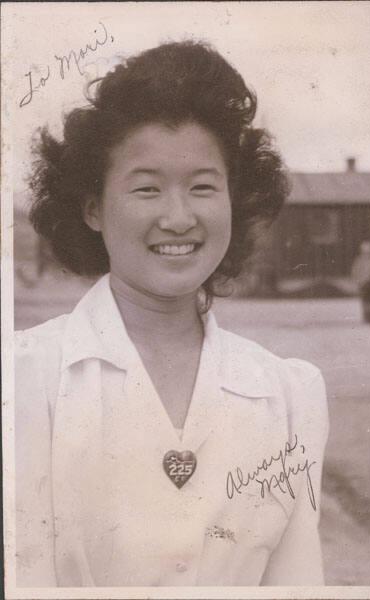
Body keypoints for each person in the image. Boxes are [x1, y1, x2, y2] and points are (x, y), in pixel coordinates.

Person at [15, 40, 329, 587]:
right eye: (147, 188)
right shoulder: (24, 377)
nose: (179, 217)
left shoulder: (289, 395)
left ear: (235, 198)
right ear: (92, 208)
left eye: (203, 187)